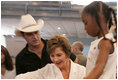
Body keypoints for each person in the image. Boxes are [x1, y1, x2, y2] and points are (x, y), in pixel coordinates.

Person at [15, 35, 86, 79]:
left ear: (67, 53)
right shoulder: (48, 69)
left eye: (59, 55)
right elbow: (21, 78)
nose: (55, 59)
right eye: (52, 56)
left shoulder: (82, 71)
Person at [81, 1, 117, 79]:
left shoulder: (106, 42)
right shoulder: (101, 41)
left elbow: (99, 67)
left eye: (86, 23)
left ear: (100, 17)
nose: (85, 28)